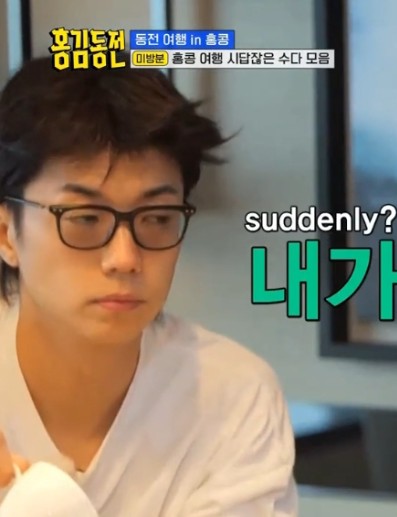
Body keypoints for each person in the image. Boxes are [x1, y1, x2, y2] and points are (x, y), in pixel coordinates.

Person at [0, 54, 298, 515]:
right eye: (85, 219)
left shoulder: (230, 396)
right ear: (6, 234)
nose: (125, 259)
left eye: (157, 218)